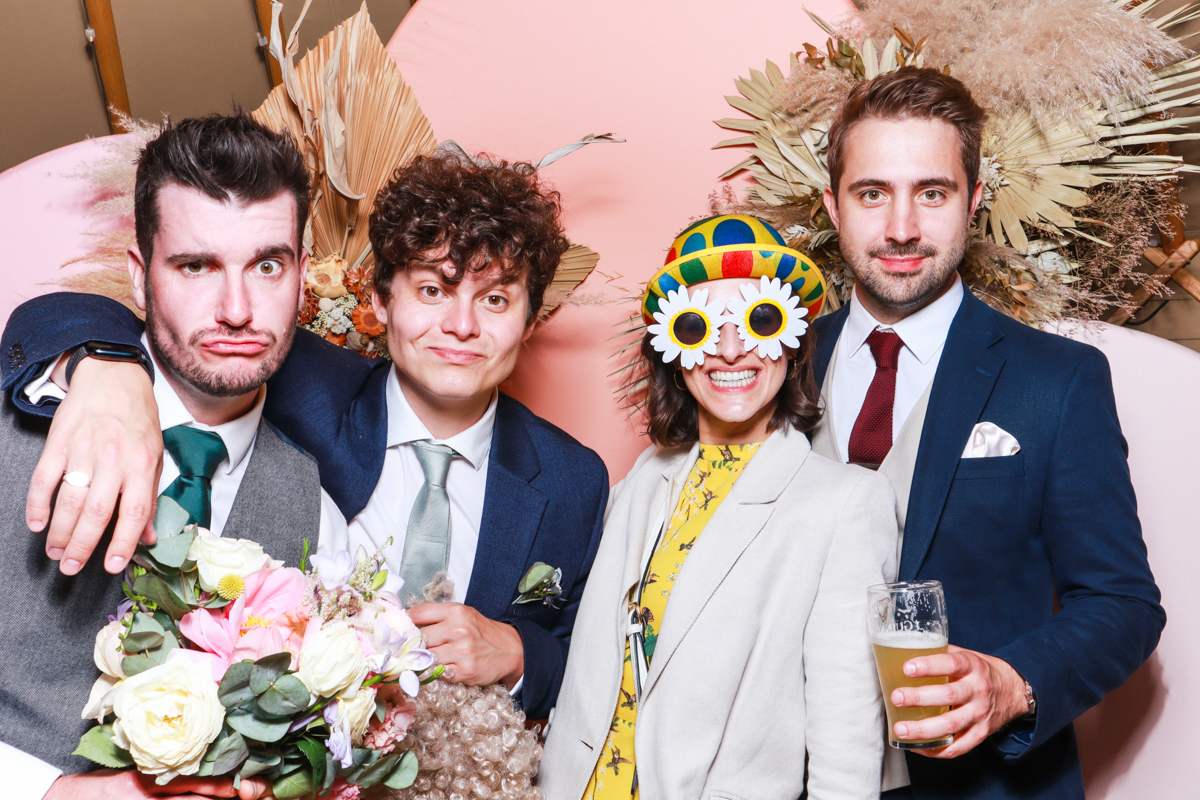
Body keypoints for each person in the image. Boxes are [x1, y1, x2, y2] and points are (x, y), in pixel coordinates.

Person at [2, 149, 609, 721]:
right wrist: (105, 370)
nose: (460, 326)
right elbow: (127, 316)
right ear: (378, 299)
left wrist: (519, 652)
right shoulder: (300, 377)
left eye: (496, 299)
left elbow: (587, 652)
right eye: (432, 290)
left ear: (530, 320)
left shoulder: (571, 479)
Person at [810, 67, 1165, 799]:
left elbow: (1122, 603)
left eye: (931, 193)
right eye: (872, 193)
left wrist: (1012, 683)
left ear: (973, 201)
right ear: (832, 206)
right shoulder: (772, 371)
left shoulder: (1058, 381)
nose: (902, 227)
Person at [0, 114, 343, 799]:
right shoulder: (23, 424)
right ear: (139, 276)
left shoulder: (322, 519)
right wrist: (47, 791)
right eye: (197, 266)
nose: (238, 309)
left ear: (303, 275)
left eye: (268, 265)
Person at [539, 215, 899, 799]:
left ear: (793, 341)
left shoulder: (846, 504)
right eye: (700, 326)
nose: (729, 350)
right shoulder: (640, 481)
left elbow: (846, 738)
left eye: (758, 320)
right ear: (674, 351)